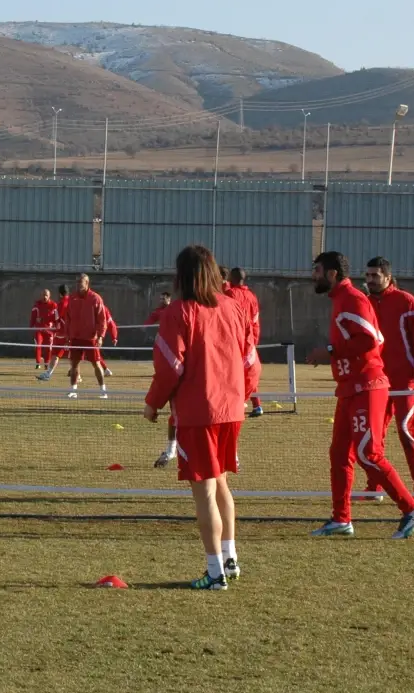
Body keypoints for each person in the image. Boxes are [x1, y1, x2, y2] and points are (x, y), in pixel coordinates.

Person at [144, 245, 254, 591]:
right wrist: (243, 395)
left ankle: (215, 572)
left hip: (198, 412)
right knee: (221, 483)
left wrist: (153, 403)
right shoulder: (233, 307)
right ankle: (230, 559)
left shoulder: (179, 313)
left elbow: (169, 366)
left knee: (204, 491)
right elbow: (250, 359)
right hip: (231, 410)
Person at [306, 251, 414, 540]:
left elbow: (373, 339)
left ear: (333, 273)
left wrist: (330, 352)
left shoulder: (353, 299)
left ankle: (412, 509)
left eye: (317, 270)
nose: (313, 275)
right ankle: (341, 519)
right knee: (339, 454)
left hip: (368, 386)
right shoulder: (341, 299)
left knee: (369, 452)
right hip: (350, 388)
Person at [363, 257, 414, 501]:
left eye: (374, 276)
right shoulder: (365, 304)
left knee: (407, 431)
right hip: (376, 381)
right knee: (373, 436)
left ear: (387, 277)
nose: (369, 280)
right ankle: (374, 487)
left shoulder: (406, 302)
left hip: (404, 381)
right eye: (367, 276)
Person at [61, 273, 108, 399]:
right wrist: (67, 336)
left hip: (90, 338)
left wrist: (101, 336)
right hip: (76, 337)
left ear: (87, 283)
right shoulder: (72, 298)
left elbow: (102, 320)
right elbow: (68, 318)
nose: (78, 285)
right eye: (76, 282)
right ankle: (73, 390)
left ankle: (103, 391)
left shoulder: (95, 298)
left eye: (80, 282)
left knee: (96, 363)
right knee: (74, 364)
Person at [225, 268, 263, 417]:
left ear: (230, 278)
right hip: (249, 341)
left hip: (234, 340)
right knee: (249, 372)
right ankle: (257, 405)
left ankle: (236, 403)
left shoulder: (230, 294)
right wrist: (254, 340)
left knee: (234, 374)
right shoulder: (252, 296)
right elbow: (255, 320)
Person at [37, 284, 71, 380]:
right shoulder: (73, 302)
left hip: (62, 333)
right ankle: (49, 374)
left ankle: (48, 374)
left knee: (55, 354)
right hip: (72, 333)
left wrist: (43, 319)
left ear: (60, 294)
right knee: (72, 355)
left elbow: (56, 317)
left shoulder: (61, 304)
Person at [30, 289, 60, 370]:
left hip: (49, 330)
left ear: (49, 296)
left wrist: (57, 328)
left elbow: (56, 318)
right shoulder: (37, 304)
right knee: (38, 344)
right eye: (43, 295)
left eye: (46, 295)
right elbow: (33, 315)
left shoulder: (53, 305)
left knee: (48, 347)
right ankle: (38, 363)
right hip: (39, 329)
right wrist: (32, 324)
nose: (45, 297)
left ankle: (47, 363)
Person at [94, 304, 118, 377]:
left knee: (94, 353)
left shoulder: (103, 309)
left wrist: (114, 337)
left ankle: (105, 370)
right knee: (93, 353)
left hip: (94, 335)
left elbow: (111, 324)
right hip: (94, 334)